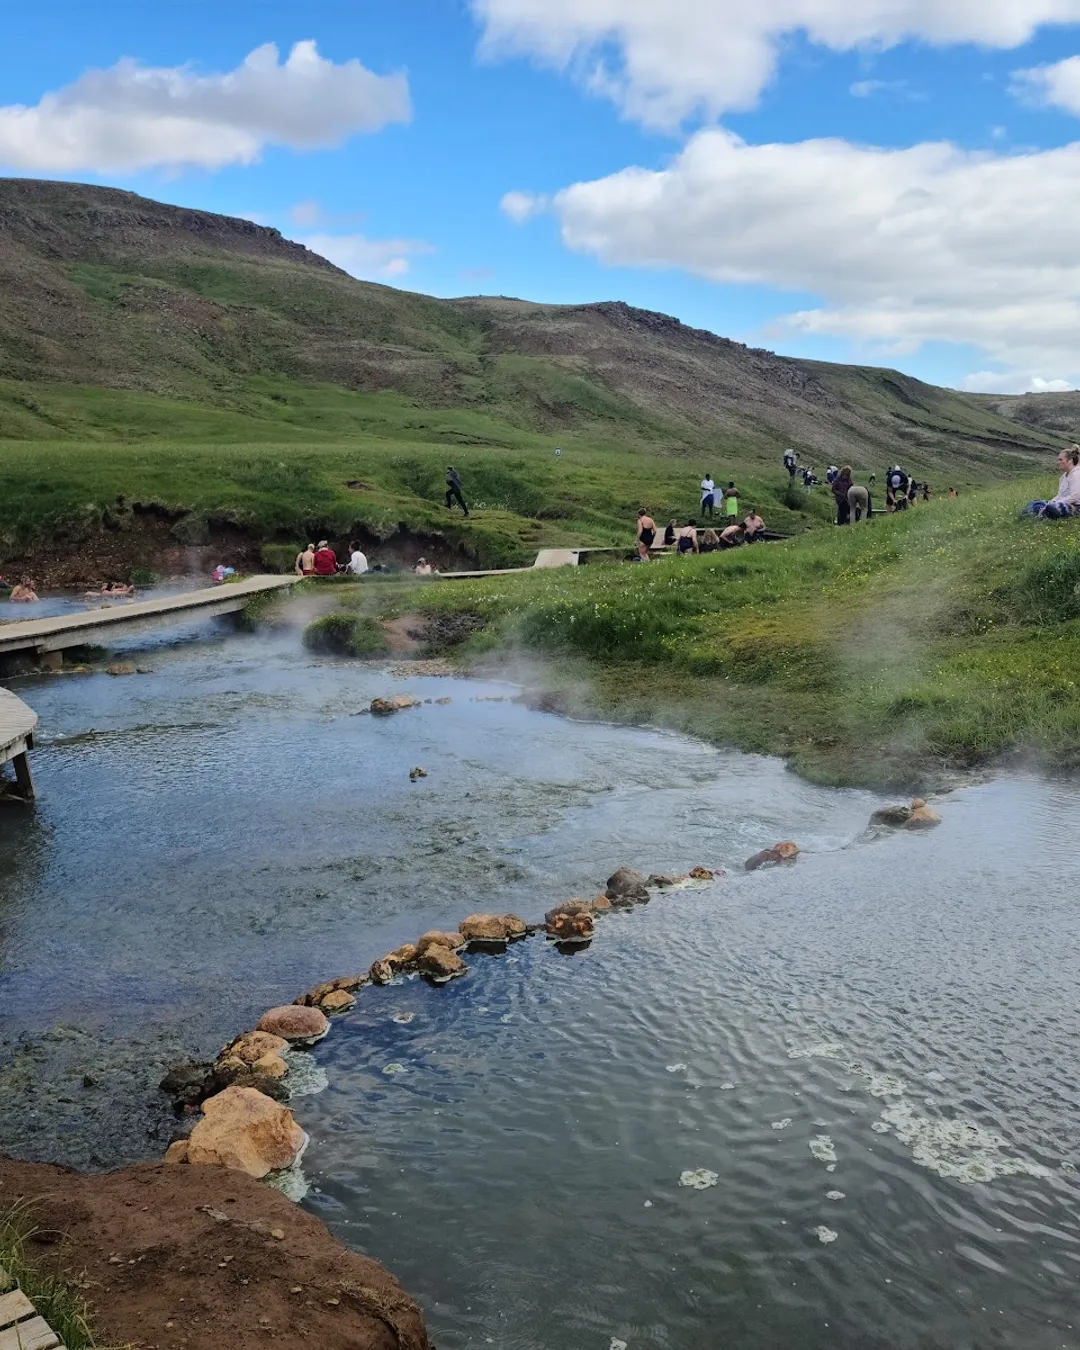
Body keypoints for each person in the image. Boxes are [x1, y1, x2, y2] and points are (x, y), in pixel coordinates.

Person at [1023, 446, 1080, 518]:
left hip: (1075, 506)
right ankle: (1033, 515)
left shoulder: (1077, 474)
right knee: (1035, 502)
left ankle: (1041, 515)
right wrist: (1051, 502)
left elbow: (1074, 497)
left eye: (1060, 460)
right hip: (1062, 502)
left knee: (1052, 508)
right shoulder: (1063, 477)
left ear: (1070, 461)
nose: (1058, 462)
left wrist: (1054, 503)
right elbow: (1059, 496)